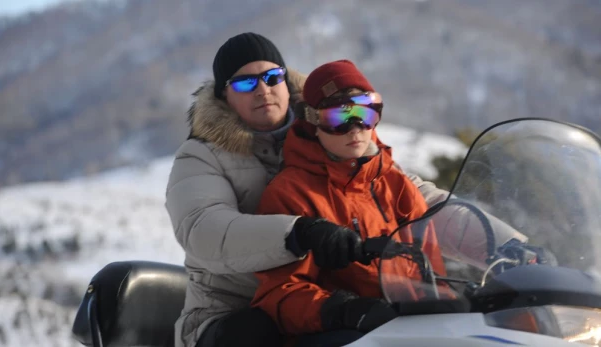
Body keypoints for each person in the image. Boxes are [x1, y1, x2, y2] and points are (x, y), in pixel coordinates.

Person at [164, 32, 542, 347]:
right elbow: (204, 230)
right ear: (224, 95)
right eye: (246, 82)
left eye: (272, 77)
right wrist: (299, 233)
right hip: (236, 306)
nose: (262, 89)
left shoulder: (342, 138)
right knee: (254, 335)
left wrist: (508, 247)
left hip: (333, 301)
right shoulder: (202, 157)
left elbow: (428, 206)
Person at [250, 60, 448, 347]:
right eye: (338, 118)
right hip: (333, 333)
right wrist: (343, 310)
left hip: (403, 326)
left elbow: (431, 268)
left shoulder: (395, 185)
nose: (355, 128)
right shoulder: (291, 192)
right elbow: (280, 292)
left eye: (364, 113)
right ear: (313, 121)